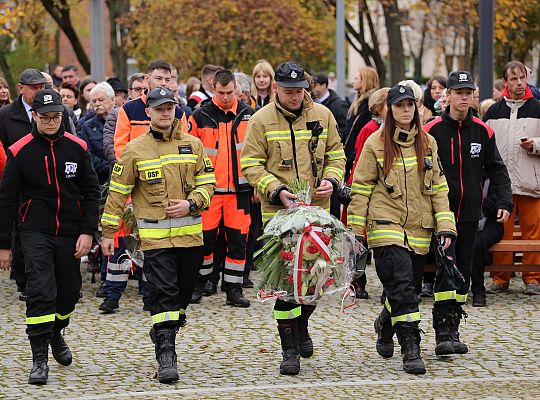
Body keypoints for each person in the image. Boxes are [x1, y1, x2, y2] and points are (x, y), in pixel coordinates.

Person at [100, 87, 215, 383]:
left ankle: (164, 328)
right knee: (163, 293)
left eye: (170, 108)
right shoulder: (135, 149)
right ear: (148, 112)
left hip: (190, 238)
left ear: (176, 110)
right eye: (159, 108)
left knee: (184, 295)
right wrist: (109, 232)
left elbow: (208, 182)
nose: (166, 113)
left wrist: (191, 202)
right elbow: (117, 193)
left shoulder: (193, 144)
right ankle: (166, 354)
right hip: (155, 240)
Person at [241, 61, 345, 375]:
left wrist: (332, 179)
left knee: (314, 284)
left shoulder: (323, 116)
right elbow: (251, 164)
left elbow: (336, 153)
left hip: (317, 213)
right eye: (288, 91)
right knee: (287, 286)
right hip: (279, 216)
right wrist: (276, 190)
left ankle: (301, 324)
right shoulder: (261, 120)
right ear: (276, 88)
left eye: (299, 91)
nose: (295, 97)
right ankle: (289, 351)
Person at [348, 84, 456, 375]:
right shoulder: (375, 143)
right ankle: (411, 349)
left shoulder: (428, 143)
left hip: (419, 229)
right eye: (400, 105)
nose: (406, 110)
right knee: (404, 290)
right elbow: (360, 190)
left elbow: (439, 189)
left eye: (410, 105)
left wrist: (445, 225)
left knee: (404, 290)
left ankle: (385, 323)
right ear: (390, 110)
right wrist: (356, 234)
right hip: (385, 225)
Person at [0, 88, 99, 385]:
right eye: (45, 117)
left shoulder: (78, 147)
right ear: (36, 117)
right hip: (34, 232)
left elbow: (92, 192)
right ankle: (39, 359)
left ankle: (57, 330)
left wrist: (88, 231)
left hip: (70, 232)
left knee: (68, 294)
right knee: (41, 292)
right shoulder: (20, 151)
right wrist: (4, 245)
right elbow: (6, 200)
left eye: (57, 116)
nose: (52, 122)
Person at [424, 70, 512, 356]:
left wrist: (504, 201)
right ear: (446, 95)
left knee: (461, 273)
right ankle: (442, 332)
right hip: (440, 216)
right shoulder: (432, 129)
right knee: (444, 272)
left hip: (470, 215)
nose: (464, 97)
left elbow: (497, 169)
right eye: (458, 92)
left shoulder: (482, 130)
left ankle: (452, 327)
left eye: (468, 92)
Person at [0, 69, 75, 300]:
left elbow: (71, 139)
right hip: (18, 180)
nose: (38, 90)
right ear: (21, 88)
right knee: (23, 236)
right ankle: (26, 282)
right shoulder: (5, 114)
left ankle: (42, 283)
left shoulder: (62, 112)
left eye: (41, 86)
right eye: (33, 87)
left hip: (53, 184)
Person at [188, 69, 254, 307]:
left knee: (238, 242)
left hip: (239, 191)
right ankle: (199, 282)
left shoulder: (249, 116)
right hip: (208, 192)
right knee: (203, 241)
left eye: (229, 92)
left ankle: (233, 288)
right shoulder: (200, 116)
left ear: (236, 87)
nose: (226, 97)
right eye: (220, 92)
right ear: (212, 88)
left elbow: (258, 153)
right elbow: (188, 154)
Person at [483, 60, 540, 295]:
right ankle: (500, 277)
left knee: (534, 233)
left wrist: (535, 145)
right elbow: (485, 144)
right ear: (505, 82)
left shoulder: (538, 108)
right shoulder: (493, 112)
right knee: (501, 232)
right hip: (502, 186)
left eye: (522, 78)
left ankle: (533, 278)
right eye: (513, 79)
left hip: (531, 183)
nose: (518, 83)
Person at [344, 87, 390, 299]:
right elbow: (359, 161)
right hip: (365, 189)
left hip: (386, 193)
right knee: (359, 241)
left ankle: (388, 284)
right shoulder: (369, 129)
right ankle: (357, 282)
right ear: (379, 107)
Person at [113, 60, 188, 160]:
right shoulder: (129, 109)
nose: (163, 83)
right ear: (147, 79)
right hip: (137, 169)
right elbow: (120, 147)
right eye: (158, 78)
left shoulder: (178, 112)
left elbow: (183, 144)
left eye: (167, 80)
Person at [343, 66, 379, 181]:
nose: (353, 81)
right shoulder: (357, 103)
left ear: (365, 80)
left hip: (360, 155)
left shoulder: (370, 106)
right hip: (350, 155)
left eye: (356, 78)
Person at [103, 73, 148, 164]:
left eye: (146, 89)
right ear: (130, 92)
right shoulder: (117, 113)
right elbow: (110, 145)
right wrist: (123, 166)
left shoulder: (156, 112)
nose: (142, 92)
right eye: (137, 89)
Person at [79, 82, 116, 185]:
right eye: (94, 101)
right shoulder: (87, 126)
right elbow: (88, 156)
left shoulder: (125, 120)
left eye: (101, 100)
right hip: (101, 181)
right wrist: (112, 169)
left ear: (112, 99)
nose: (97, 104)